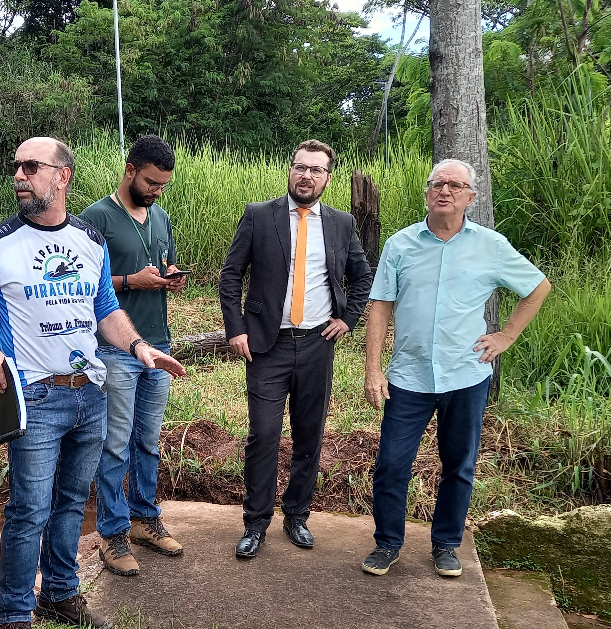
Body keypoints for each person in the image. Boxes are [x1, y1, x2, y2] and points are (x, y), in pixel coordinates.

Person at [0, 137, 186, 629]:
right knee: (28, 510)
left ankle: (60, 594)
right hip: (35, 397)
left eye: (31, 166)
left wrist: (139, 347)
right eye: (16, 166)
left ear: (62, 176)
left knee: (71, 501)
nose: (19, 174)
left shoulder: (89, 240)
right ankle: (15, 618)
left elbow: (105, 309)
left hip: (91, 394)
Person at [361, 158, 551, 579]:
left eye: (455, 185)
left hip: (465, 375)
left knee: (458, 465)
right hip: (409, 376)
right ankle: (387, 542)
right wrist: (373, 369)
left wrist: (506, 336)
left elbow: (538, 288)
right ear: (427, 192)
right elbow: (380, 307)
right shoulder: (401, 244)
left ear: (471, 197)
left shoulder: (491, 246)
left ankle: (446, 544)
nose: (444, 191)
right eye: (437, 184)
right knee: (392, 464)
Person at [219, 139, 374, 559]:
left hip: (317, 345)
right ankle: (255, 523)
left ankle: (297, 516)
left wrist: (348, 319)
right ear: (290, 170)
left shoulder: (341, 223)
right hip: (266, 346)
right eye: (300, 167)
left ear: (328, 178)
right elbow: (231, 275)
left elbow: (362, 277)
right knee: (264, 434)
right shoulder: (259, 215)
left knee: (309, 435)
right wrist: (236, 329)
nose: (307, 176)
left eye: (316, 170)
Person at [79, 135, 188, 577]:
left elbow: (163, 265)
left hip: (158, 344)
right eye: (151, 182)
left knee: (148, 440)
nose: (157, 191)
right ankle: (113, 533)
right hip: (115, 349)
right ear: (130, 170)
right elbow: (83, 286)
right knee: (115, 443)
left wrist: (170, 277)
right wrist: (130, 282)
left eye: (163, 185)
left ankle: (145, 519)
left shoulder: (161, 217)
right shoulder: (96, 219)